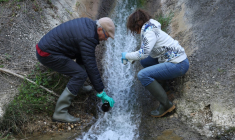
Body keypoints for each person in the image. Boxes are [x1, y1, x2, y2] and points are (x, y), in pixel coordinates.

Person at [36, 17, 115, 123]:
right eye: (107, 36)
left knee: (83, 57)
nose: (106, 39)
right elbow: (91, 67)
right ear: (100, 30)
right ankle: (60, 112)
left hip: (48, 48)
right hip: (47, 54)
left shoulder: (89, 25)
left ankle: (78, 86)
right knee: (80, 74)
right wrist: (101, 91)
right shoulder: (89, 37)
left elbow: (86, 58)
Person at [121, 9, 189, 117]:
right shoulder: (150, 27)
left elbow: (143, 53)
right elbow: (147, 54)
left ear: (137, 24)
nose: (135, 32)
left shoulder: (149, 31)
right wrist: (134, 57)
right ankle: (165, 90)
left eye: (133, 29)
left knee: (142, 75)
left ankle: (166, 105)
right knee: (145, 61)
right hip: (174, 60)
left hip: (179, 64)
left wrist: (127, 55)